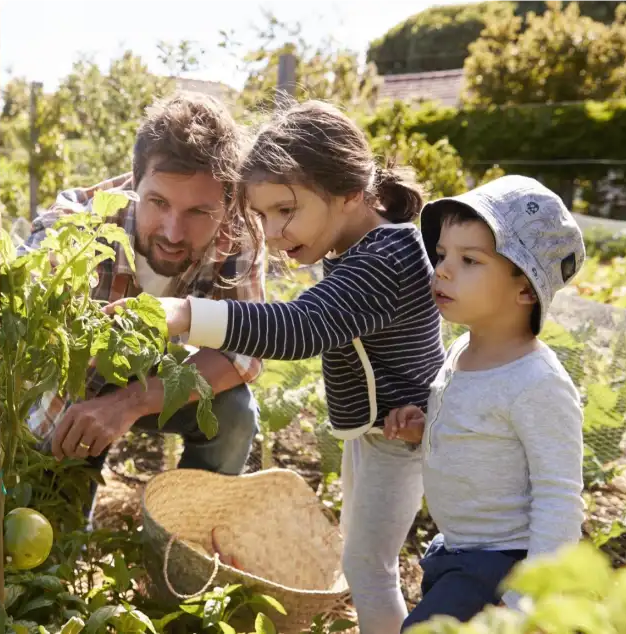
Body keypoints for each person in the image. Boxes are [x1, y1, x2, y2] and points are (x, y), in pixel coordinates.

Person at [110, 100, 447, 634]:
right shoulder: (361, 247)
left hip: (402, 438)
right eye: (262, 215)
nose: (271, 232)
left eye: (285, 210)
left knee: (371, 567)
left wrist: (181, 314)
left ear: (350, 192)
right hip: (382, 432)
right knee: (371, 561)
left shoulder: (386, 257)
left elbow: (299, 327)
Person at [0, 91, 266, 516]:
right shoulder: (82, 221)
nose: (173, 231)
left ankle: (186, 539)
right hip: (75, 389)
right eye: (158, 203)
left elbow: (241, 351)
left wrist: (129, 402)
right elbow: (25, 275)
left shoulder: (238, 236)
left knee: (233, 412)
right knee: (50, 535)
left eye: (198, 212)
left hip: (154, 378)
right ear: (134, 183)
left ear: (227, 203)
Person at [382, 175, 586, 630]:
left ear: (526, 289)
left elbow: (559, 498)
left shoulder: (537, 382)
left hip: (501, 566)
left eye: (469, 259)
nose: (443, 270)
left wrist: (525, 602)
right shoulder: (461, 351)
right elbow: (477, 434)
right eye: (442, 255)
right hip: (456, 552)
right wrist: (425, 428)